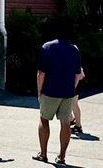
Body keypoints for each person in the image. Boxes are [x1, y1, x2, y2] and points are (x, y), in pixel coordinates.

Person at [33, 21, 82, 165]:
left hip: (50, 91)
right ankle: (61, 157)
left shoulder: (47, 47)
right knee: (65, 123)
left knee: (44, 119)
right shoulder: (74, 49)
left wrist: (39, 92)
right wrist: (71, 88)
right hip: (67, 92)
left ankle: (43, 154)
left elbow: (41, 73)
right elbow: (78, 74)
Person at [71, 68, 85, 134]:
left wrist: (73, 87)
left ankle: (78, 126)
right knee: (70, 103)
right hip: (70, 82)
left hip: (74, 82)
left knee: (74, 104)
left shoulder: (74, 58)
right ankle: (71, 119)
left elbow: (80, 74)